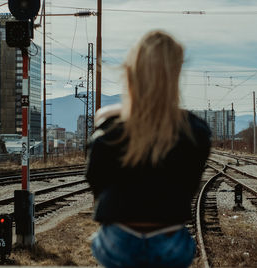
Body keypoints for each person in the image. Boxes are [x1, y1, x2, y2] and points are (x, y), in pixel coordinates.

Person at [86, 30, 211, 268]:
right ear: (173, 75)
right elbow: (190, 186)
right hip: (170, 242)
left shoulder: (111, 131)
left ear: (132, 74)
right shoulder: (194, 132)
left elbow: (96, 182)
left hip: (117, 241)